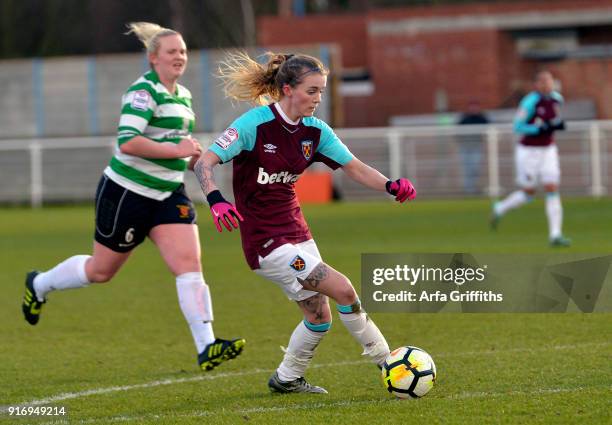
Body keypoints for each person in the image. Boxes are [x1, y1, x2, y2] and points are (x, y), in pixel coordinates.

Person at [21, 22, 245, 371]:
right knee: (101, 271)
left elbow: (172, 149)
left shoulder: (183, 96)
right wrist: (177, 148)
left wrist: (192, 161)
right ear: (153, 58)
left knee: (189, 265)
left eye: (183, 51)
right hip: (127, 193)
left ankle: (207, 346)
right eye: (172, 51)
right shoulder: (143, 92)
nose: (179, 57)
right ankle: (40, 284)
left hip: (168, 194)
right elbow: (129, 141)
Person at [193, 51, 416, 393]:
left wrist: (389, 184)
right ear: (287, 89)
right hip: (266, 243)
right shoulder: (254, 125)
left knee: (318, 316)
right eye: (312, 91)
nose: (318, 99)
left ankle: (286, 379)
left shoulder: (315, 131)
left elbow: (353, 166)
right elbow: (204, 163)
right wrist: (215, 199)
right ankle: (387, 362)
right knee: (343, 289)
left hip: (297, 232)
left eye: (321, 91)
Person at [490, 70, 570, 247]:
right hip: (528, 151)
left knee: (552, 187)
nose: (546, 84)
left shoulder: (557, 99)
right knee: (528, 193)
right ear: (535, 85)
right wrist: (537, 129)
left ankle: (555, 235)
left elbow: (553, 119)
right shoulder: (530, 102)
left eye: (548, 80)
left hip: (548, 149)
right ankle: (500, 208)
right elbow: (517, 126)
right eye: (542, 81)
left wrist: (556, 125)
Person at [456, 100, 489, 194]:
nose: (474, 109)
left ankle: (472, 187)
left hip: (476, 146)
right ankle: (468, 189)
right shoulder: (464, 117)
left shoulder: (482, 117)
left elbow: (488, 126)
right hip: (465, 146)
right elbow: (457, 130)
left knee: (475, 167)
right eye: (472, 107)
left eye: (475, 107)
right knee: (466, 168)